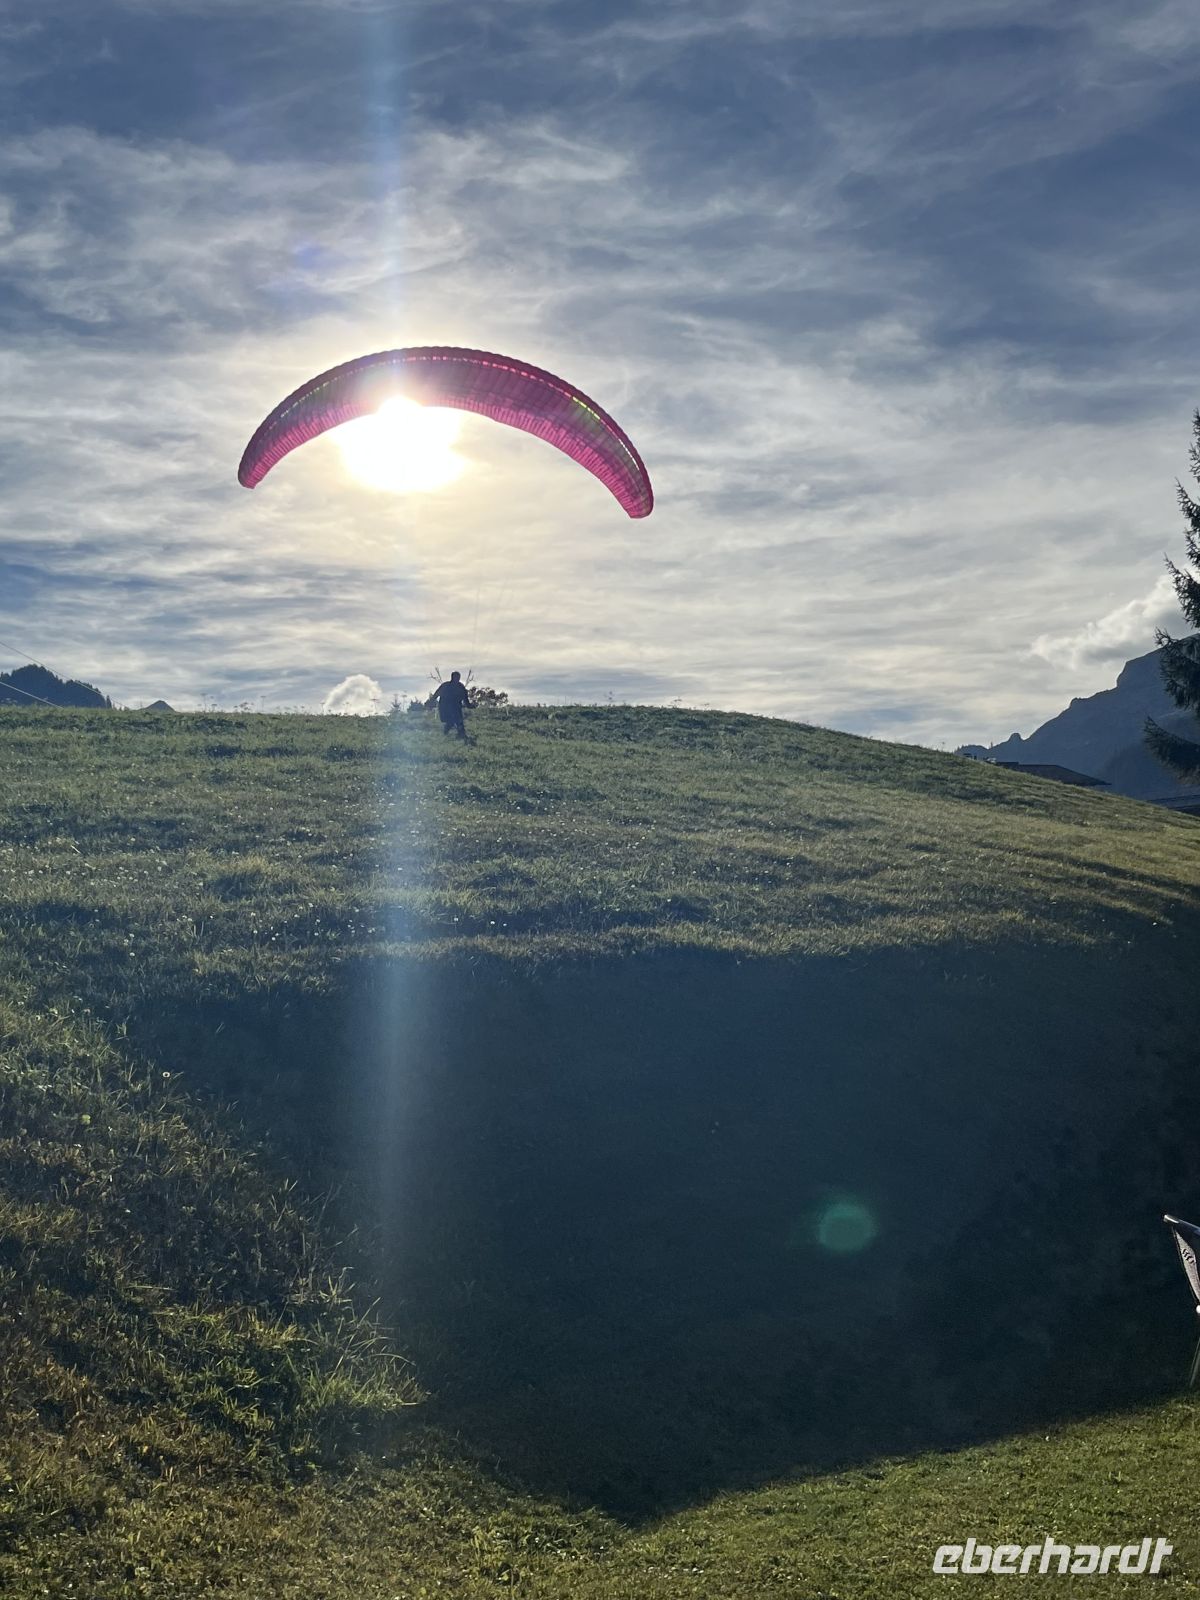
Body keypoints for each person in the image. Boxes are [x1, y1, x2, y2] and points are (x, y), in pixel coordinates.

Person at [430, 670, 470, 740]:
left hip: (456, 707)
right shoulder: (445, 686)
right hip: (445, 707)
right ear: (452, 677)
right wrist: (430, 702)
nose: (457, 679)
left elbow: (465, 698)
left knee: (459, 721)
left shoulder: (460, 687)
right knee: (451, 721)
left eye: (458, 677)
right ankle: (447, 733)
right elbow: (436, 695)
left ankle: (461, 734)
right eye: (455, 677)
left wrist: (469, 705)